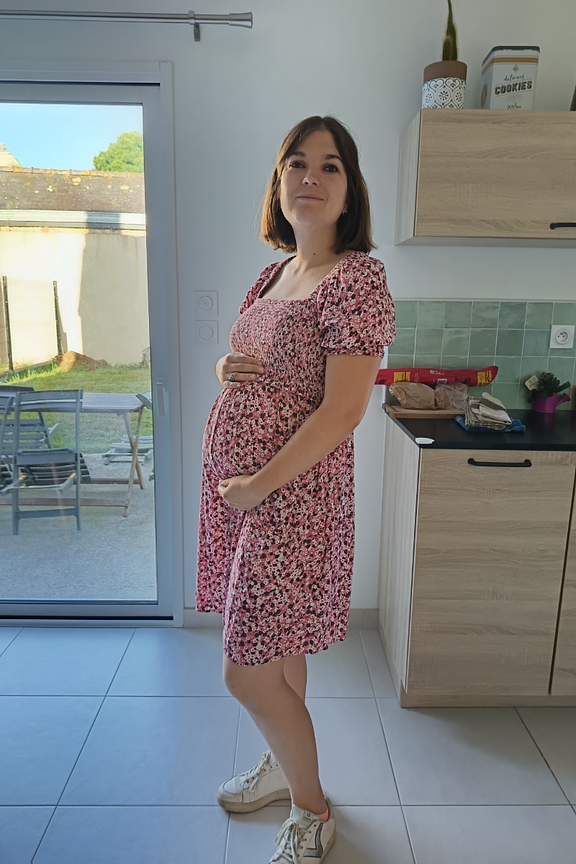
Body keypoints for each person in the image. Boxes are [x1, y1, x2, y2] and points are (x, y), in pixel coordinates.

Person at [196, 115, 395, 863]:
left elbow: (343, 411)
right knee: (278, 652)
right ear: (279, 181)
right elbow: (261, 360)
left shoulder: (357, 279)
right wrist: (225, 368)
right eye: (297, 163)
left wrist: (257, 484)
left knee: (244, 671)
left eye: (330, 165)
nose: (311, 177)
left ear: (350, 189)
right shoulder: (274, 273)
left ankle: (314, 810)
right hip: (250, 497)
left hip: (292, 501)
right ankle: (285, 768)